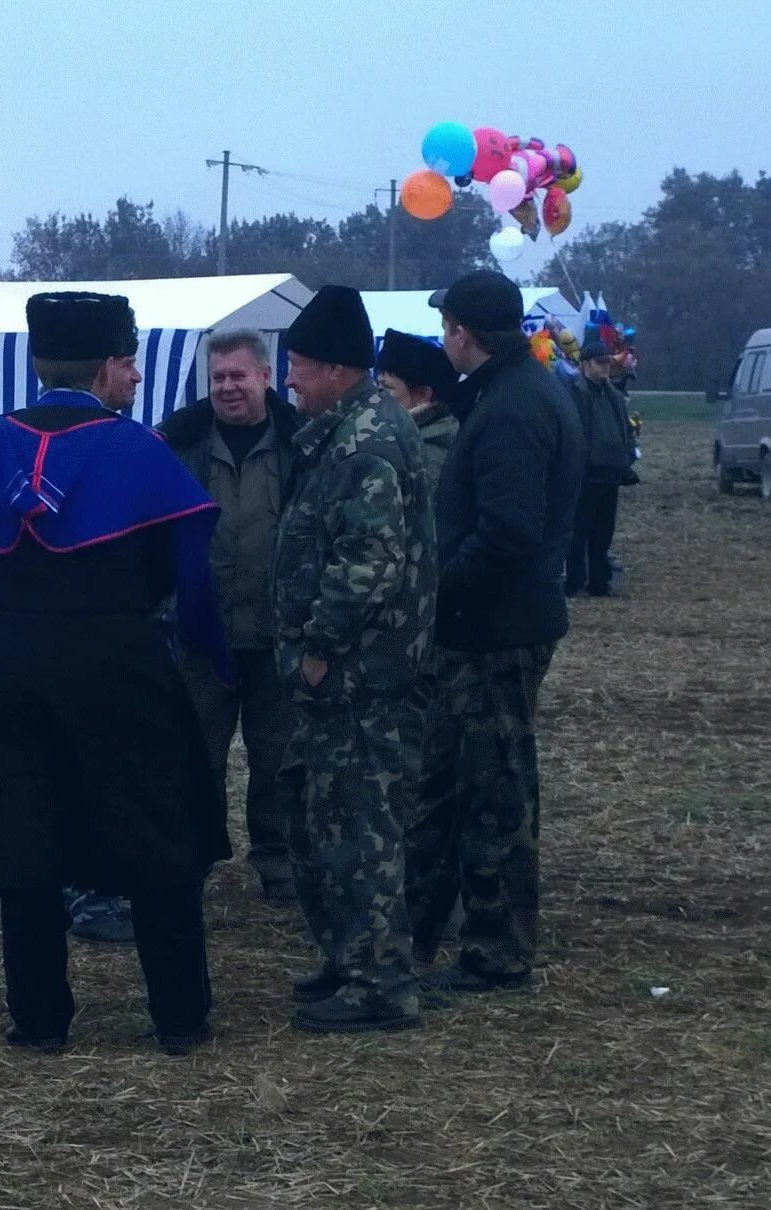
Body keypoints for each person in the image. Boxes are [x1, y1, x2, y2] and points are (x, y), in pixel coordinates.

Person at [0, 292, 230, 1057]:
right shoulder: (138, 452)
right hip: (122, 659)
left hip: (15, 662)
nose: (133, 377)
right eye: (127, 363)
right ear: (104, 367)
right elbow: (188, 575)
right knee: (157, 839)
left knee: (24, 843)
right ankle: (180, 1019)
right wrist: (199, 651)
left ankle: (38, 1021)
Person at [407, 270, 584, 993]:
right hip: (496, 623)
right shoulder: (523, 389)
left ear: (461, 332)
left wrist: (435, 586)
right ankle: (424, 929)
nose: (442, 338)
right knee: (459, 780)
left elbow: (509, 532)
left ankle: (498, 950)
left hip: (495, 629)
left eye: (445, 326)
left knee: (496, 788)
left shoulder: (513, 406)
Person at [272, 286, 436, 1034]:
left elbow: (367, 563)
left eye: (299, 366)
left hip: (362, 679)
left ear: (337, 369)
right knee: (326, 823)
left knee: (363, 828)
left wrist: (316, 650)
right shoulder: (345, 433)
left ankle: (380, 984)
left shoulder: (368, 442)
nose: (290, 381)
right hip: (347, 677)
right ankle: (348, 959)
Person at [156, 329, 302, 904]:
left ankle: (278, 857)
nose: (227, 387)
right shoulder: (181, 443)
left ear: (266, 375)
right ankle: (196, 854)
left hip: (276, 632)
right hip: (201, 632)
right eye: (218, 377)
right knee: (198, 753)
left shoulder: (302, 443)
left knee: (278, 755)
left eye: (238, 375)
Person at [564, 340, 635, 598]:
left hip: (610, 474)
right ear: (585, 365)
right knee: (578, 531)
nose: (605, 367)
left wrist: (628, 455)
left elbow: (625, 429)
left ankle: (598, 582)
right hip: (586, 475)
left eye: (608, 362)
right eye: (600, 362)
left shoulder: (614, 396)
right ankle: (574, 583)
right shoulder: (573, 395)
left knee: (603, 532)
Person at [374, 328, 461, 498]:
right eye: (376, 385)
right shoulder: (402, 440)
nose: (376, 396)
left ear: (422, 395)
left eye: (387, 388)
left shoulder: (425, 461)